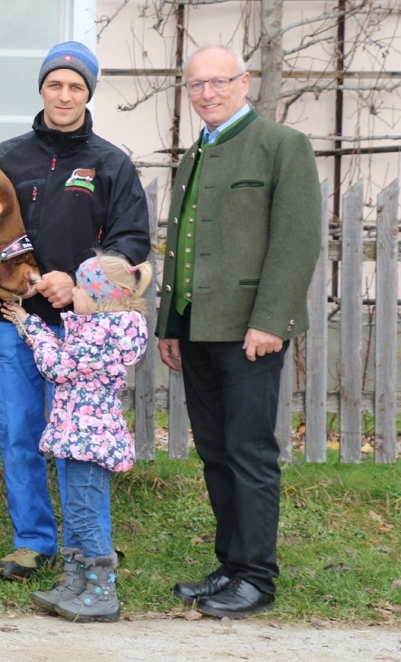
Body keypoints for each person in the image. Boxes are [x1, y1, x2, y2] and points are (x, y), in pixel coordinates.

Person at [157, 45, 322, 619]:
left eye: (218, 82)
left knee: (250, 454)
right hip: (197, 330)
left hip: (250, 331)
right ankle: (230, 565)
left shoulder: (282, 145)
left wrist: (271, 320)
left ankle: (257, 577)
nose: (207, 93)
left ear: (243, 81)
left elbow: (299, 240)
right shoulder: (195, 154)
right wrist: (171, 324)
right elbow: (181, 246)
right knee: (216, 453)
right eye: (196, 85)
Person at [0, 41, 150, 581]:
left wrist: (74, 279)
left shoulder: (111, 164)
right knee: (20, 434)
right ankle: (32, 541)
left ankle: (88, 544)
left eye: (76, 86)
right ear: (42, 89)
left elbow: (132, 241)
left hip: (83, 337)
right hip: (12, 325)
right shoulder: (8, 158)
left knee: (81, 442)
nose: (65, 94)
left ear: (88, 94)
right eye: (56, 84)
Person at [0, 252, 152, 622]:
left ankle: (102, 593)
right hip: (79, 436)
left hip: (90, 440)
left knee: (84, 516)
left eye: (82, 287)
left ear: (102, 295)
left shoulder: (101, 333)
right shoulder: (94, 327)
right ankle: (75, 581)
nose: (75, 292)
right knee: (77, 513)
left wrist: (30, 325)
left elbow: (57, 366)